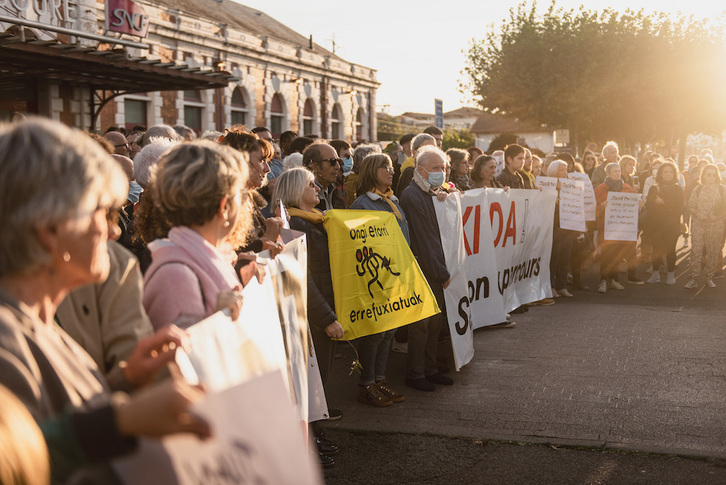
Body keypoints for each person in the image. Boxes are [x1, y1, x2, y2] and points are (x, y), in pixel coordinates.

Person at [0, 118, 210, 481]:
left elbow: (55, 415)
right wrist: (118, 421)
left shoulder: (36, 321)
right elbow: (13, 463)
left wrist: (125, 381)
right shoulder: (6, 340)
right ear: (50, 229)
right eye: (100, 211)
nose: (113, 229)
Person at [272, 167, 344, 467]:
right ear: (293, 192)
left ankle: (315, 432)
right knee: (309, 380)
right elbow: (305, 278)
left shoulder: (318, 220)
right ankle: (307, 438)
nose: (317, 189)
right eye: (310, 185)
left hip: (321, 307)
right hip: (310, 313)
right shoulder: (294, 226)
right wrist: (327, 316)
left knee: (318, 379)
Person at [141, 141, 249, 329]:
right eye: (239, 194)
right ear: (224, 207)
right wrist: (215, 317)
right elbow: (181, 352)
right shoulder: (176, 276)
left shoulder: (203, 259)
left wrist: (250, 284)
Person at [349, 153, 409, 407]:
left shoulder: (392, 200)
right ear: (371, 171)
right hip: (376, 277)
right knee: (375, 333)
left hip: (396, 274)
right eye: (385, 167)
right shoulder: (363, 204)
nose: (391, 171)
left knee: (389, 331)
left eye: (391, 166)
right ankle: (366, 384)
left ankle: (380, 379)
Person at [399, 146, 454, 392]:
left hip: (433, 266)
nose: (440, 173)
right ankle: (416, 373)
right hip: (423, 268)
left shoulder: (431, 192)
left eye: (443, 168)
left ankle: (429, 369)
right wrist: (440, 272)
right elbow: (425, 237)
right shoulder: (412, 196)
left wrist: (445, 196)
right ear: (420, 170)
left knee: (435, 323)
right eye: (435, 168)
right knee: (421, 325)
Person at [220, 128, 283, 261]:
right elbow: (227, 256)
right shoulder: (228, 202)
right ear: (240, 163)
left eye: (268, 161)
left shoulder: (246, 197)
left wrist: (276, 223)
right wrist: (266, 239)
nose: (268, 169)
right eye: (261, 160)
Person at [594, 162, 641, 293]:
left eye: (619, 171)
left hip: (621, 228)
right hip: (607, 227)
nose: (618, 173)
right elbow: (594, 208)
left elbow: (632, 207)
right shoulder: (600, 189)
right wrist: (601, 206)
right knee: (606, 254)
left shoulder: (627, 188)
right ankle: (603, 281)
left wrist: (638, 203)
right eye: (614, 171)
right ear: (607, 174)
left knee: (617, 254)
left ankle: (614, 280)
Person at [684, 164, 725, 289]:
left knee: (712, 252)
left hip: (716, 225)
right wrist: (698, 214)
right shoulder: (698, 189)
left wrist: (717, 217)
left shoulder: (722, 189)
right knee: (696, 250)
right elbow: (690, 205)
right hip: (699, 225)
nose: (711, 177)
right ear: (704, 176)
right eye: (709, 174)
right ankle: (693, 278)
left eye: (714, 174)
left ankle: (709, 277)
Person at [645, 161, 683, 285]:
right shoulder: (654, 188)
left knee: (671, 250)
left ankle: (670, 275)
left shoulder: (678, 189)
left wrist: (663, 202)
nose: (668, 174)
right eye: (665, 171)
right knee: (656, 250)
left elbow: (678, 208)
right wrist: (657, 203)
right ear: (660, 173)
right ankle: (655, 274)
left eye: (671, 172)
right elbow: (649, 206)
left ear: (674, 174)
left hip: (672, 225)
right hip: (656, 225)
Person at [548, 161, 576, 298]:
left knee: (565, 257)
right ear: (554, 172)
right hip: (555, 226)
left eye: (566, 170)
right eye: (561, 170)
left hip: (568, 226)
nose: (565, 172)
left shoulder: (572, 186)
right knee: (554, 257)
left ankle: (561, 286)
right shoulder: (548, 185)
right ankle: (551, 286)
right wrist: (555, 191)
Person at [304, 142, 347, 211]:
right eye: (332, 162)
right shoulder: (305, 197)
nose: (338, 167)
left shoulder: (335, 190)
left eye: (339, 161)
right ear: (314, 166)